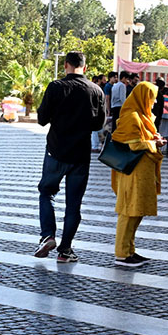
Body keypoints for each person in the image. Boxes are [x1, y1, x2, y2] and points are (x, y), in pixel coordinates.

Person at [35, 51, 105, 263]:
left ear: (66, 65)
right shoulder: (96, 90)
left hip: (56, 151)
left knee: (47, 192)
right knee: (74, 205)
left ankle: (48, 235)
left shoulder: (56, 87)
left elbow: (41, 119)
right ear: (85, 66)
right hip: (80, 155)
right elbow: (98, 124)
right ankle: (65, 250)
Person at [111, 81, 167, 267]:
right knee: (128, 212)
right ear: (143, 97)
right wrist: (154, 144)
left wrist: (154, 138)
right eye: (152, 97)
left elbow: (143, 139)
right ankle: (122, 254)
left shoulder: (143, 117)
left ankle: (130, 250)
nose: (154, 102)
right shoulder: (132, 116)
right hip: (132, 172)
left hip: (142, 171)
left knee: (137, 212)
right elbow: (134, 144)